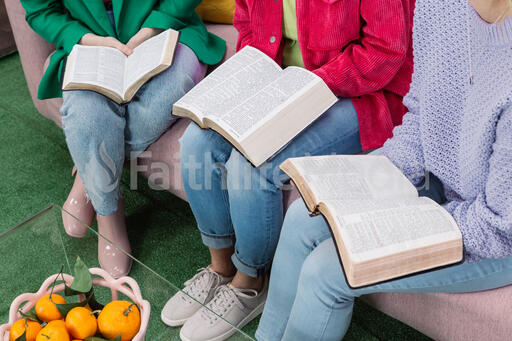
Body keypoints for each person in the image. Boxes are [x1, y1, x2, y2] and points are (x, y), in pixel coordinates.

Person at [256, 0, 512, 340]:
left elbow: (496, 228)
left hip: (494, 234)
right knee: (307, 213)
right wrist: (372, 182)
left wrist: (400, 230)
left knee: (328, 271)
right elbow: (422, 115)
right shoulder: (438, 5)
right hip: (440, 183)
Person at [162, 0, 415, 339]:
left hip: (357, 93)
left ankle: (250, 282)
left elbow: (385, 51)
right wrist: (255, 76)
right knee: (196, 144)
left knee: (254, 162)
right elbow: (247, 21)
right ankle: (221, 267)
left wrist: (307, 87)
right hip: (274, 84)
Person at [20, 0, 225, 278]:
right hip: (87, 40)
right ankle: (108, 211)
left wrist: (152, 27)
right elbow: (42, 11)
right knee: (86, 115)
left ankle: (90, 174)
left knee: (168, 93)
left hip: (164, 27)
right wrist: (85, 39)